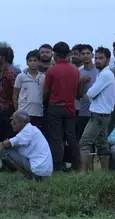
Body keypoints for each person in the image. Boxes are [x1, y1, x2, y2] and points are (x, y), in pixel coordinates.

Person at [0, 110, 53, 180]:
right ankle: (30, 175)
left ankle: (29, 176)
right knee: (10, 147)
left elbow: (3, 145)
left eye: (13, 121)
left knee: (4, 150)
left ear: (20, 122)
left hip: (38, 170)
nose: (11, 123)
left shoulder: (26, 132)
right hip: (44, 170)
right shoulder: (31, 129)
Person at [43, 41, 80, 171]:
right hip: (70, 107)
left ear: (55, 54)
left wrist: (45, 102)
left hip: (55, 107)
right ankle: (77, 164)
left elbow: (46, 90)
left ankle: (57, 165)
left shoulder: (52, 70)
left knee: (56, 137)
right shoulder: (75, 70)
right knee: (71, 136)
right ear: (68, 54)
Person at [79, 47, 115, 172]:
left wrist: (90, 92)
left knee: (84, 143)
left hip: (99, 115)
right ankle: (105, 173)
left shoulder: (105, 74)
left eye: (101, 58)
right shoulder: (103, 73)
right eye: (97, 58)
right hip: (103, 114)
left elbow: (91, 93)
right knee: (102, 145)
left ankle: (83, 173)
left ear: (108, 60)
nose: (98, 60)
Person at [13, 50, 45, 130]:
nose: (33, 63)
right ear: (27, 62)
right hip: (24, 112)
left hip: (38, 112)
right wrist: (17, 110)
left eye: (35, 60)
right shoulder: (21, 76)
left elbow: (45, 94)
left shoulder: (43, 77)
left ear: (39, 62)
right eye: (30, 61)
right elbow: (15, 95)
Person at [76, 44, 99, 142]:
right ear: (80, 56)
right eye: (82, 54)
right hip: (82, 111)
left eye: (88, 53)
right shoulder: (77, 72)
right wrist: (79, 81)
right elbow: (75, 94)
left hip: (97, 110)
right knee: (82, 139)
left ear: (92, 55)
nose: (85, 56)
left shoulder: (100, 71)